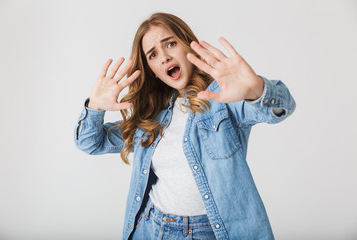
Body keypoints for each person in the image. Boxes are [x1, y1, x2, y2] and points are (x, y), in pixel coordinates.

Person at [74, 12, 295, 240]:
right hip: (152, 228)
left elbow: (279, 109)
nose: (164, 57)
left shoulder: (222, 96)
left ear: (188, 45)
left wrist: (257, 90)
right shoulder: (151, 116)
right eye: (153, 54)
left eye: (170, 43)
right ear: (153, 71)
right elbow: (90, 142)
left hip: (212, 232)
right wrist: (94, 107)